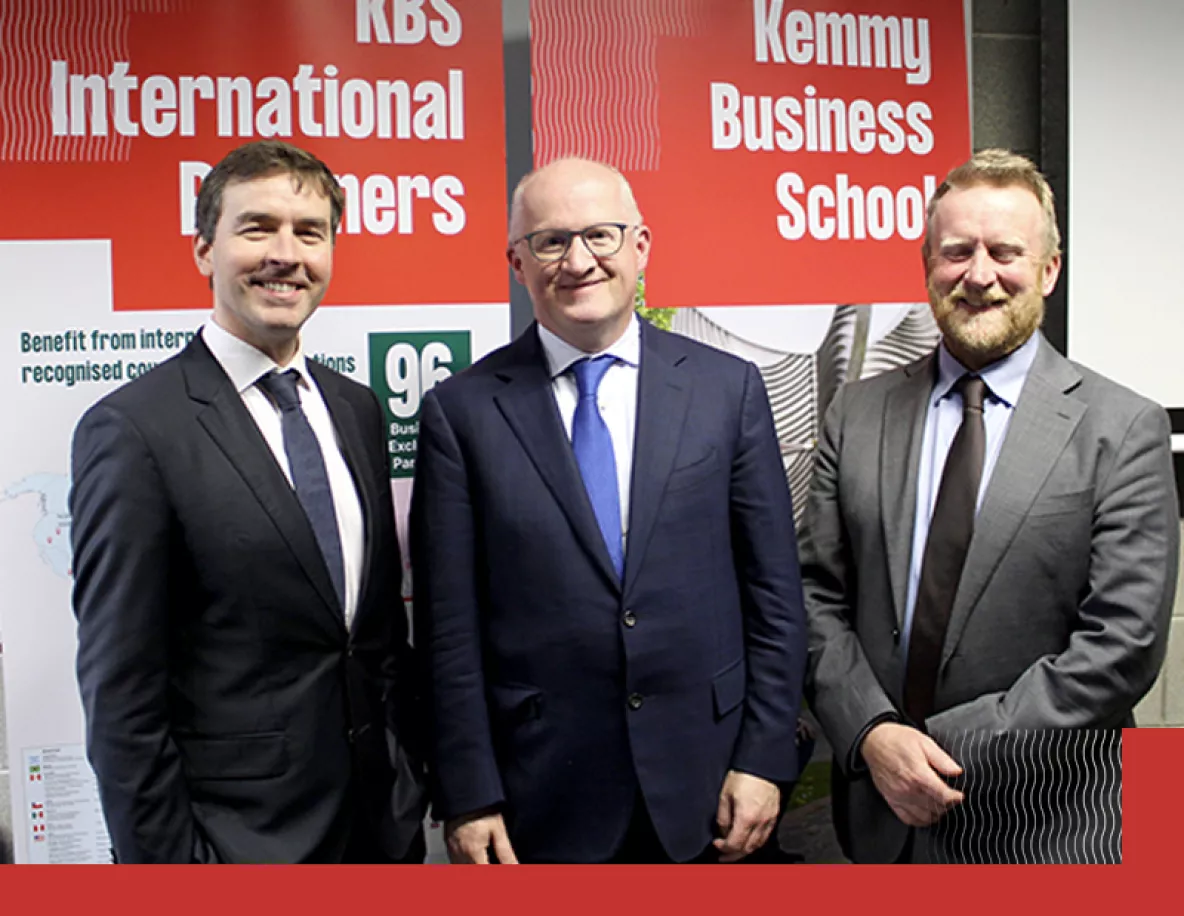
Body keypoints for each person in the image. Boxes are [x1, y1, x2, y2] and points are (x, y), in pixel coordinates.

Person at [409, 157, 807, 864]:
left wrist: (765, 757)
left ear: (641, 247)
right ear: (516, 262)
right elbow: (449, 630)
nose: (580, 260)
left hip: (711, 786)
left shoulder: (728, 390)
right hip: (544, 797)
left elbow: (774, 594)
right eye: (551, 241)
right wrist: (469, 793)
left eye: (601, 234)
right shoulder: (460, 413)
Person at [802, 149, 1179, 863]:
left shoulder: (1123, 426)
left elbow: (1123, 646)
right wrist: (874, 733)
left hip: (1055, 824)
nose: (979, 275)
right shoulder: (856, 412)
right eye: (956, 251)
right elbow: (813, 595)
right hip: (880, 817)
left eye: (1006, 251)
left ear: (1049, 270)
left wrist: (935, 749)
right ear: (927, 268)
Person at [70, 140, 424, 864]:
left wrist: (407, 781)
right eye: (257, 228)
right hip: (235, 848)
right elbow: (122, 692)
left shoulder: (357, 409)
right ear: (204, 249)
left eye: (310, 232)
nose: (286, 254)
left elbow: (371, 638)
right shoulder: (135, 430)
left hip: (380, 831)